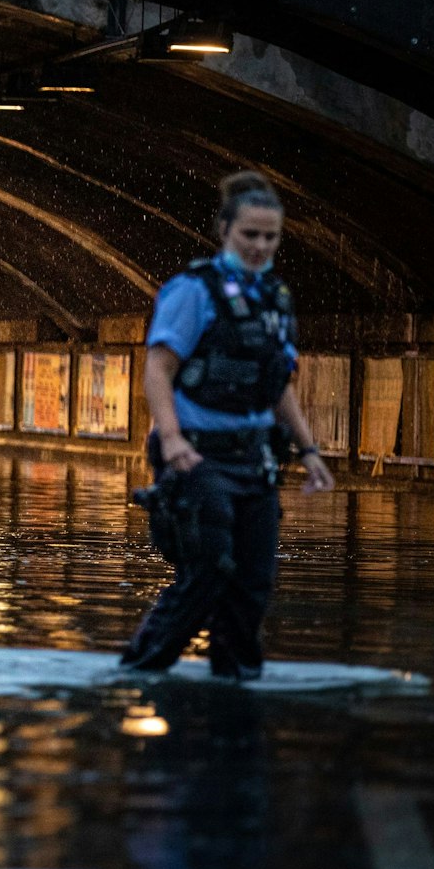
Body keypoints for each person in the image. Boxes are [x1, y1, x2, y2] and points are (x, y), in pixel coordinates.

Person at [120, 170, 335, 680]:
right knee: (210, 571)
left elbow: (277, 384)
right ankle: (140, 672)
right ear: (224, 230)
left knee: (253, 583)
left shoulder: (274, 300)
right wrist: (170, 440)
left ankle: (235, 681)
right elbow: (158, 368)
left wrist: (309, 451)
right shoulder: (193, 291)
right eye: (250, 235)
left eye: (271, 237)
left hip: (254, 457)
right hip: (196, 454)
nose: (261, 246)